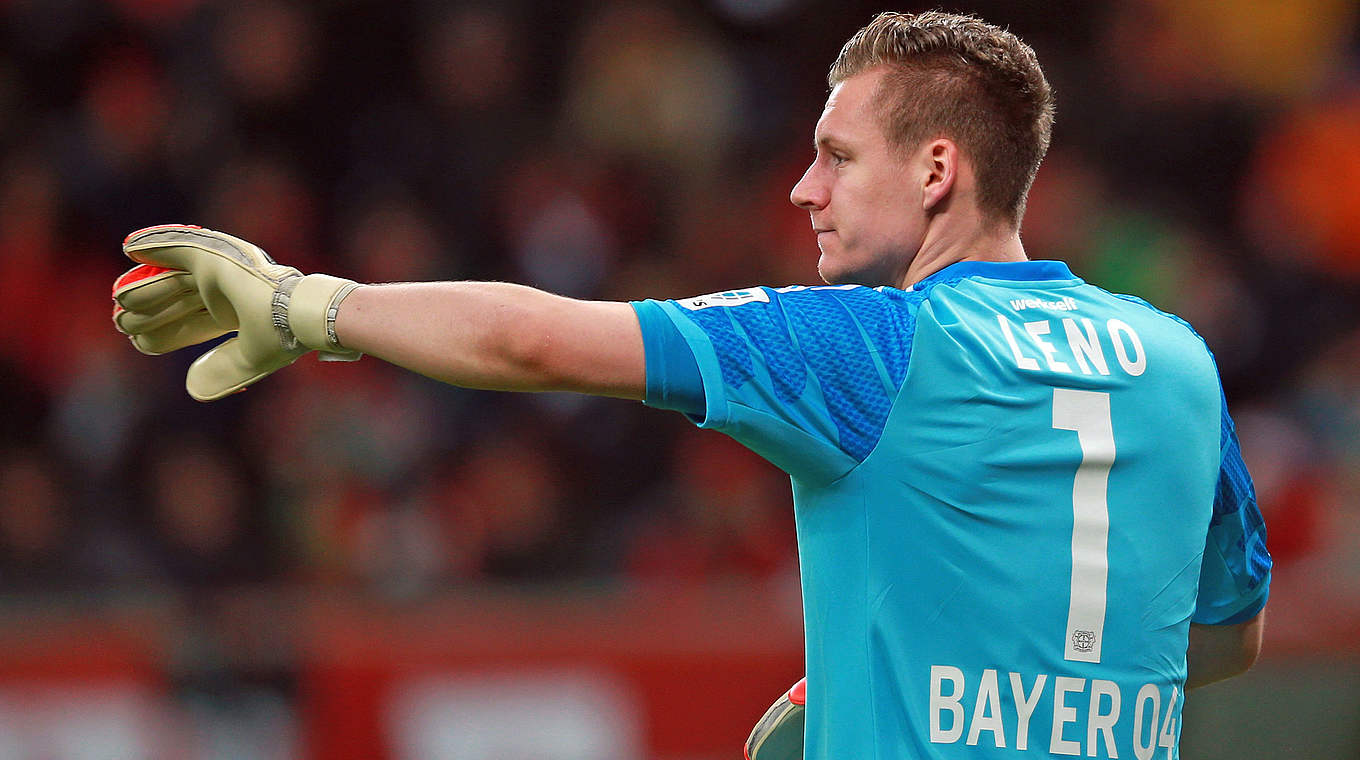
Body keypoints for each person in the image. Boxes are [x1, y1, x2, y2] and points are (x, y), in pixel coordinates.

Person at [111, 11, 1270, 759]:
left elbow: (535, 340)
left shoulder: (870, 345)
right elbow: (1224, 637)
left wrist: (303, 304)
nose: (801, 190)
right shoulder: (1179, 359)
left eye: (837, 156)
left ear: (935, 170)